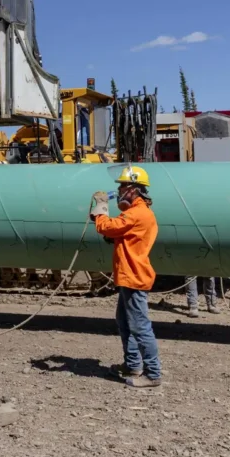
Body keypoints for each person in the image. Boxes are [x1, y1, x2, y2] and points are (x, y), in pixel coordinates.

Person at [91, 165, 162, 388]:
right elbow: (122, 235)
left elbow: (108, 227)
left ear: (133, 189)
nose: (119, 190)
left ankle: (153, 373)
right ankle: (132, 365)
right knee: (125, 321)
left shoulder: (136, 214)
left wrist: (101, 209)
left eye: (122, 185)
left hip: (133, 276)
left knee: (140, 326)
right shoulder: (138, 212)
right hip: (129, 275)